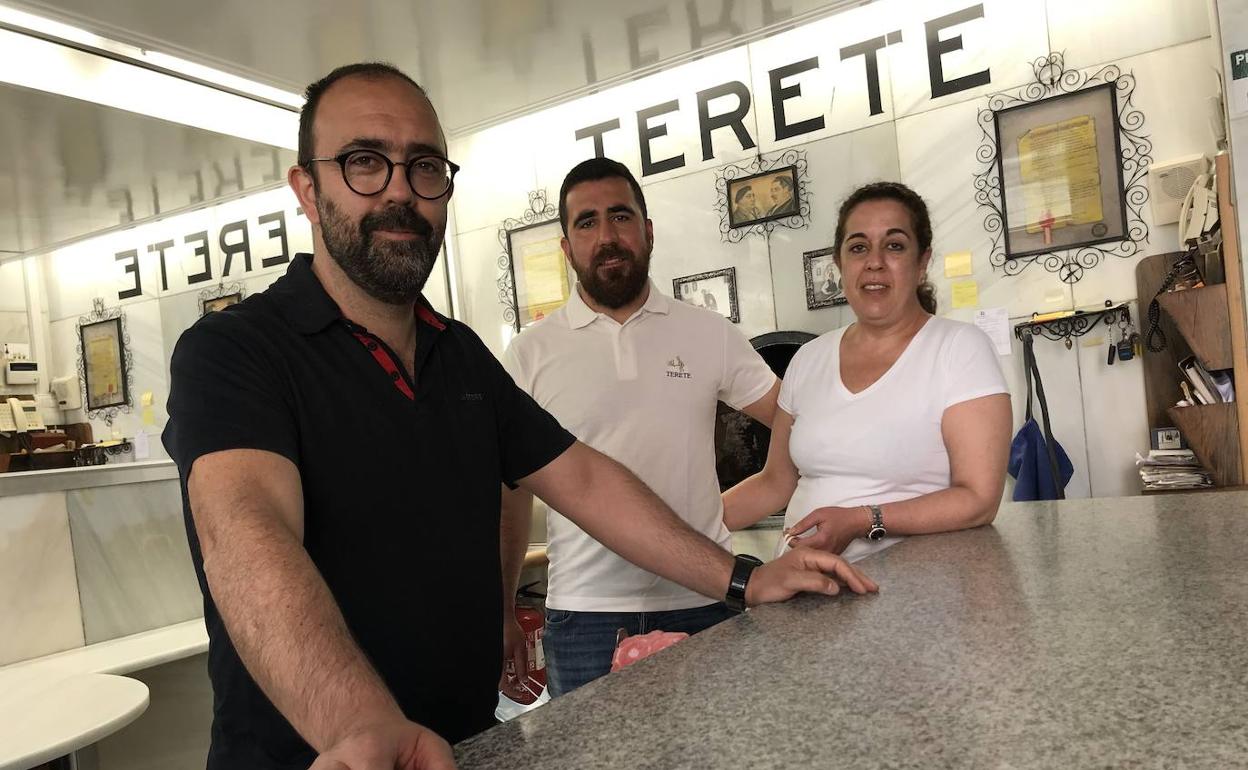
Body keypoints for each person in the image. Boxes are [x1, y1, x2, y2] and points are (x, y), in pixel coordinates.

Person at [162, 62, 877, 770]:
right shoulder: (234, 352)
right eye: (364, 164)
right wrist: (359, 726)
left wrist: (744, 578)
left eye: (425, 167)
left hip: (470, 748)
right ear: (307, 190)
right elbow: (246, 537)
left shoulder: (461, 356)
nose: (401, 194)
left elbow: (587, 482)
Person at [500, 157, 781, 697]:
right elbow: (510, 495)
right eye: (586, 222)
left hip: (706, 598)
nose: (606, 236)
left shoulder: (708, 333)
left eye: (620, 216)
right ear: (565, 247)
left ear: (648, 231)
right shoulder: (528, 356)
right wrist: (504, 607)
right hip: (584, 617)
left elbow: (793, 419)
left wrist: (771, 492)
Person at [723, 181, 1011, 563]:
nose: (874, 261)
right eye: (858, 247)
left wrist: (862, 521)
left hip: (915, 590)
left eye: (894, 245)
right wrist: (679, 528)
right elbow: (776, 483)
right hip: (803, 585)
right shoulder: (809, 359)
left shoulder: (959, 349)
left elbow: (978, 499)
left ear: (922, 261)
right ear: (840, 263)